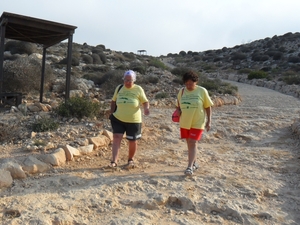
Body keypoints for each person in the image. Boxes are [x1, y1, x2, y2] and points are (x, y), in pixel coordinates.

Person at [175, 70, 213, 175]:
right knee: (190, 143)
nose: (188, 85)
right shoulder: (182, 91)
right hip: (185, 122)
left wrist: (209, 121)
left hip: (198, 121)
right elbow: (178, 105)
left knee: (192, 142)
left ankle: (189, 167)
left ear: (195, 82)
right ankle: (194, 163)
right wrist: (178, 111)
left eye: (190, 83)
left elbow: (208, 106)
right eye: (186, 83)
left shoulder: (202, 91)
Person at [109, 70, 150, 169]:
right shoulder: (119, 88)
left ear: (134, 80)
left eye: (130, 80)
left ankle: (130, 159)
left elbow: (145, 102)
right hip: (118, 118)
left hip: (133, 120)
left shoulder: (138, 89)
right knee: (116, 137)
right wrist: (111, 112)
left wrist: (146, 109)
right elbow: (113, 101)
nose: (127, 82)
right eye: (126, 80)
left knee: (132, 141)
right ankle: (114, 161)